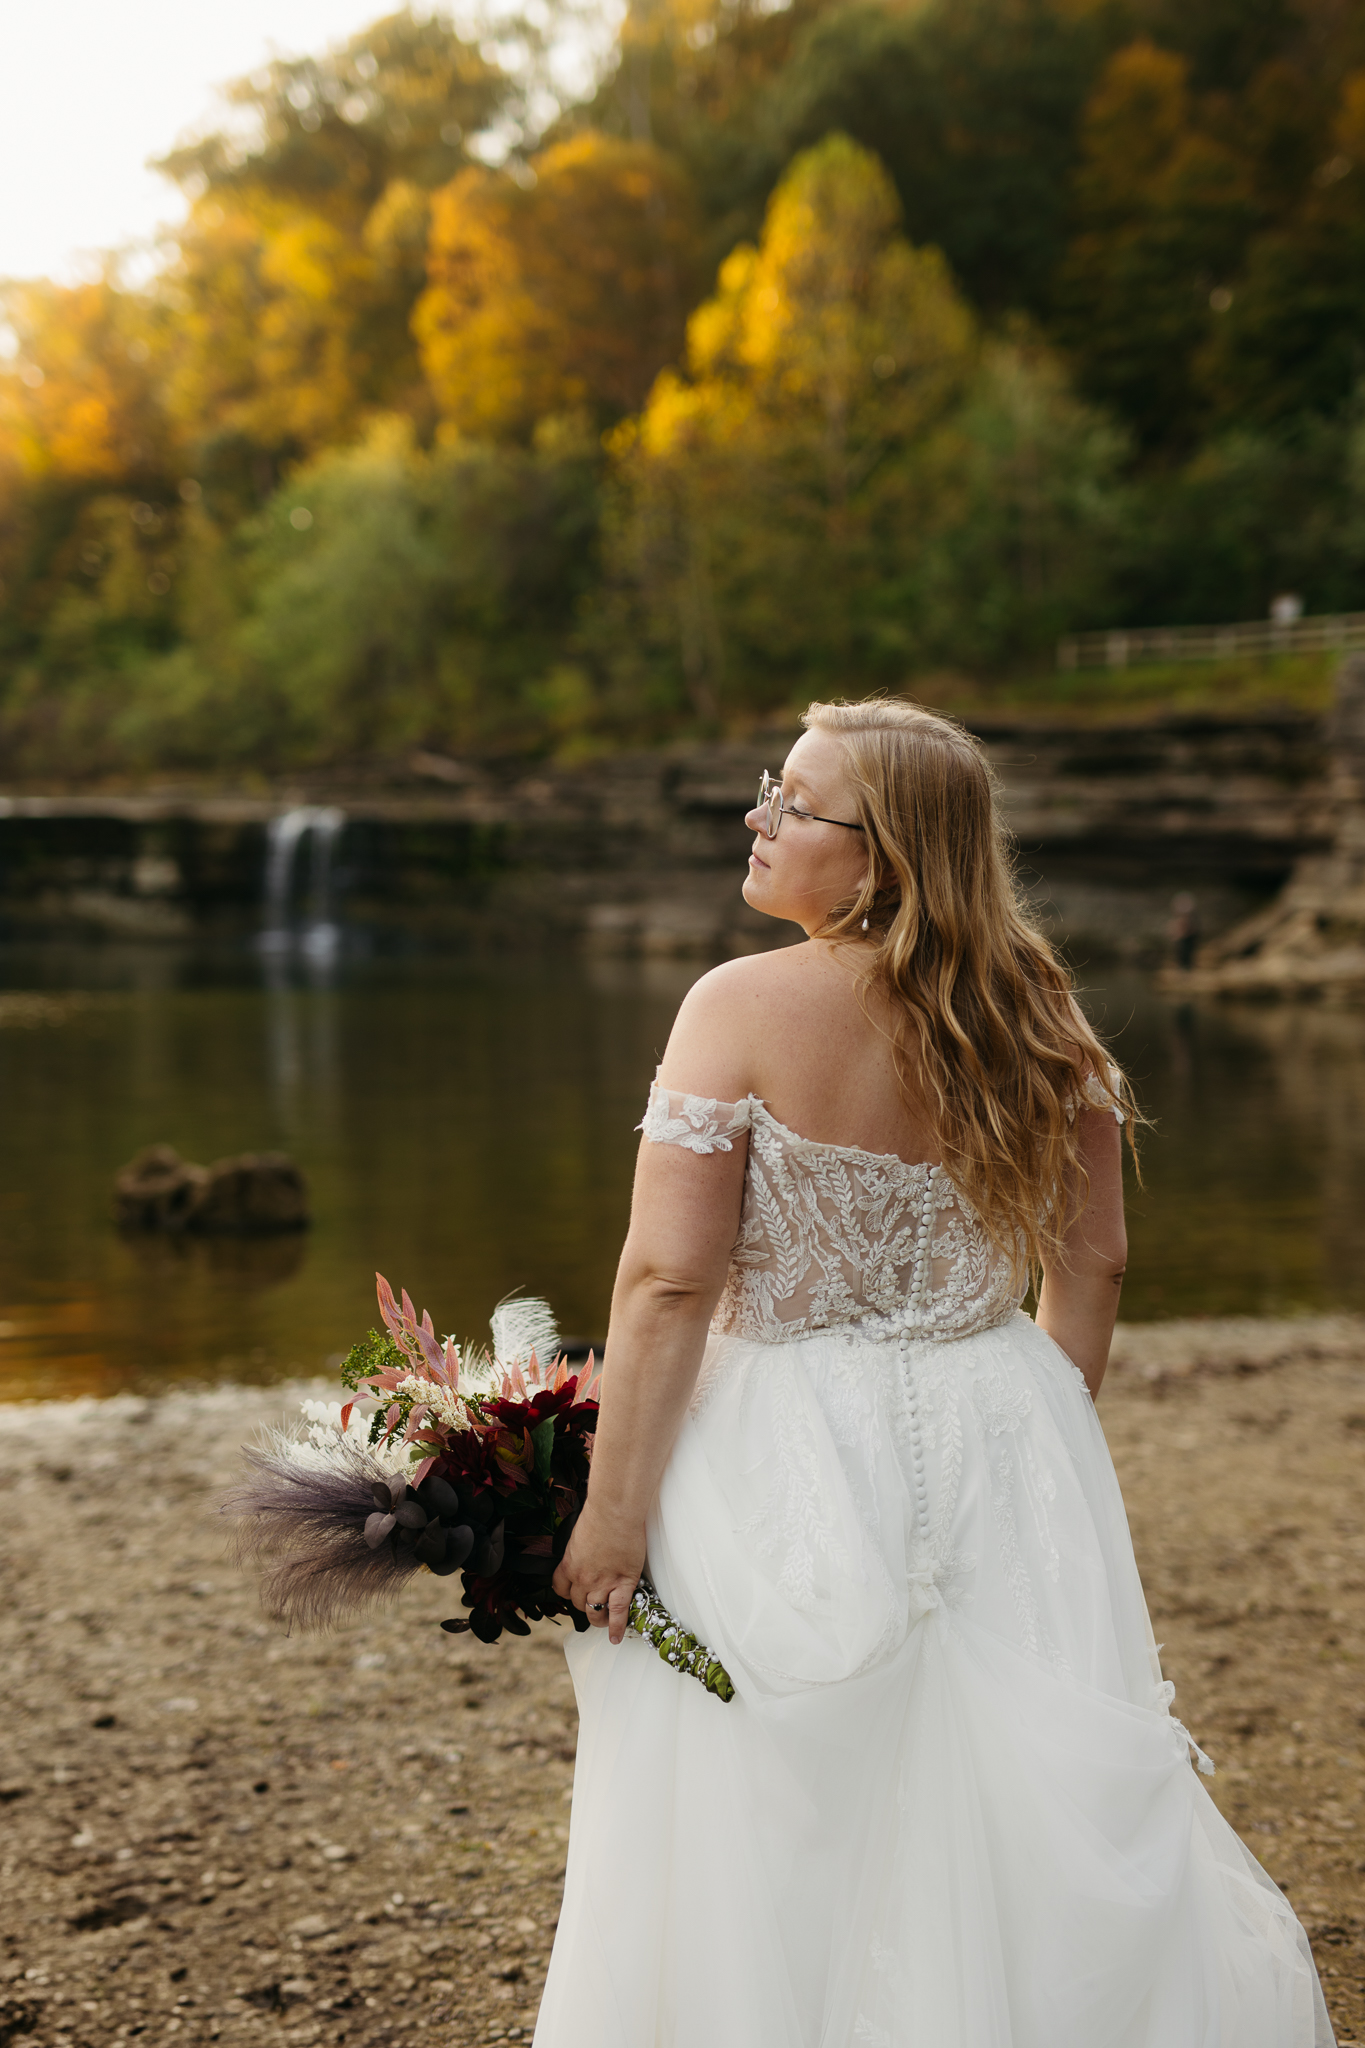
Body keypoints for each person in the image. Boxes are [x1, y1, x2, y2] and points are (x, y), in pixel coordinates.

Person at [542, 698, 1334, 2048]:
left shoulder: (732, 1005)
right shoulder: (1039, 1009)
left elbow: (668, 1283)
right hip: (996, 1414)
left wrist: (610, 1516)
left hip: (778, 1429)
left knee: (768, 1781)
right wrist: (1045, 1426)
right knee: (1007, 1772)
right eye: (767, 790)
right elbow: (1093, 1265)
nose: (759, 818)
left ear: (885, 858)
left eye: (796, 806)